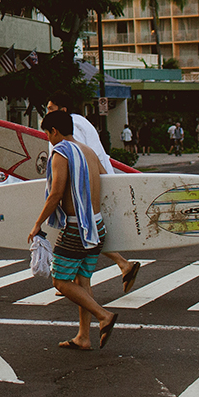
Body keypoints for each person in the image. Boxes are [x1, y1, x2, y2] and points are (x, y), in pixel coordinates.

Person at [30, 110, 117, 350]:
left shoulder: (62, 152)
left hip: (77, 228)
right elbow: (107, 181)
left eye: (47, 134)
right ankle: (83, 337)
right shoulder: (88, 151)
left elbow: (56, 193)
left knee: (60, 281)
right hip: (96, 225)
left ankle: (104, 316)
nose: (48, 139)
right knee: (83, 281)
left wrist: (38, 224)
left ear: (54, 131)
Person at [49, 100, 140, 295]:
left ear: (63, 110)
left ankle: (74, 283)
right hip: (99, 180)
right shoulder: (82, 121)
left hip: (87, 187)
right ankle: (119, 266)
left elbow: (76, 154)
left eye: (50, 108)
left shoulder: (71, 127)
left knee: (84, 231)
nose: (47, 112)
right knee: (91, 234)